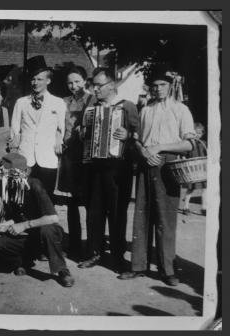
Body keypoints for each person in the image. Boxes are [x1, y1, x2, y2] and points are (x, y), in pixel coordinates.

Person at [119, 67, 196, 286]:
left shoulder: (181, 110)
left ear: (171, 86)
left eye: (162, 84)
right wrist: (144, 152)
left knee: (165, 218)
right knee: (141, 215)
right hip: (146, 164)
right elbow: (138, 140)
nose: (158, 88)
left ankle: (167, 269)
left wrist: (160, 147)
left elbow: (189, 143)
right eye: (154, 85)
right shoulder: (146, 110)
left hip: (168, 166)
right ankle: (138, 266)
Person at [0, 153, 75, 287]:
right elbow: (12, 218)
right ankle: (22, 262)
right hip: (22, 234)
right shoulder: (6, 187)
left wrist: (24, 225)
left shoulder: (34, 185)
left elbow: (53, 217)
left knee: (48, 230)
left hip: (41, 232)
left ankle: (62, 270)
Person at [77, 68, 139, 272]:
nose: (94, 90)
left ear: (111, 86)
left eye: (98, 86)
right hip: (95, 166)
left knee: (117, 212)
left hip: (119, 168)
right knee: (94, 211)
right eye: (93, 86)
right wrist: (83, 131)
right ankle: (94, 252)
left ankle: (118, 256)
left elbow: (139, 136)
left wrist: (128, 134)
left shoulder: (127, 107)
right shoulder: (91, 107)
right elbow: (82, 133)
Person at [10, 56, 66, 199]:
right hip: (26, 157)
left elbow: (61, 129)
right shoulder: (21, 103)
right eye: (33, 79)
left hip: (48, 158)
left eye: (40, 79)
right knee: (23, 197)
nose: (35, 83)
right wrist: (16, 155)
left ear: (48, 80)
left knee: (45, 199)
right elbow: (15, 130)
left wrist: (59, 139)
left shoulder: (58, 103)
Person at [55, 65, 93, 259]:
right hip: (69, 156)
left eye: (77, 81)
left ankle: (92, 245)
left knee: (88, 202)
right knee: (71, 202)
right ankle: (75, 244)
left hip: (87, 157)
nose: (73, 85)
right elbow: (58, 127)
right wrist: (57, 139)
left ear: (85, 81)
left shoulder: (92, 100)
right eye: (70, 82)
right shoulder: (63, 102)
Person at [180, 122, 207, 216]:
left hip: (202, 169)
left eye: (200, 133)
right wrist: (184, 160)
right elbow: (184, 155)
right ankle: (186, 207)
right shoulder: (190, 144)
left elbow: (207, 154)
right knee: (190, 188)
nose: (197, 135)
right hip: (192, 170)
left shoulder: (203, 143)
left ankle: (204, 207)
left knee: (205, 188)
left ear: (202, 134)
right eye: (195, 133)